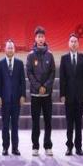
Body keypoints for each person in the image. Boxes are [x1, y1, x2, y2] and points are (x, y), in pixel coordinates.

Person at [26, 26, 55, 156]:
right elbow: (29, 73)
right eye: (38, 37)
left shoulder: (50, 55)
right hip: (35, 94)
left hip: (47, 94)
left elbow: (52, 73)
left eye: (42, 36)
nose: (40, 39)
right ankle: (35, 146)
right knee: (35, 122)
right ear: (35, 38)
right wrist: (39, 87)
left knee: (48, 121)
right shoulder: (31, 55)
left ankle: (48, 146)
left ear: (45, 38)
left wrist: (46, 87)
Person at [59, 33, 83, 156]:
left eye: (75, 41)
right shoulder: (64, 58)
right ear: (68, 43)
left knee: (79, 123)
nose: (73, 43)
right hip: (68, 96)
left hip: (80, 95)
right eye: (71, 41)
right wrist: (62, 94)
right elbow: (62, 78)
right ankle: (69, 147)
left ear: (78, 43)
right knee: (69, 123)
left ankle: (79, 147)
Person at [0, 39, 25, 156]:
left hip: (16, 99)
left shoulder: (19, 63)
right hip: (5, 100)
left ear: (14, 49)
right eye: (8, 47)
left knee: (15, 125)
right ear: (5, 49)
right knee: (5, 125)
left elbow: (22, 81)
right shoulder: (0, 64)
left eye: (12, 47)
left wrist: (23, 95)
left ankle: (15, 148)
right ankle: (5, 147)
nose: (10, 49)